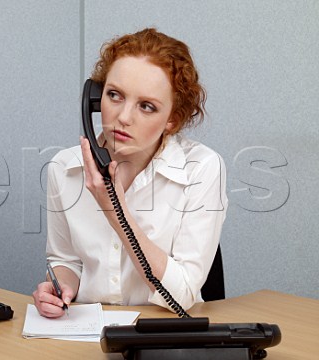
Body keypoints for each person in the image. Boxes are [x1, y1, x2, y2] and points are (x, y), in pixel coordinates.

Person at [33, 28, 228, 318]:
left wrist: (115, 210)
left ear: (172, 119)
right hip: (86, 332)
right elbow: (66, 260)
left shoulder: (202, 168)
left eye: (147, 106)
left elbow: (183, 293)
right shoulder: (64, 168)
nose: (123, 117)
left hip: (166, 334)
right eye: (115, 95)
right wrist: (60, 286)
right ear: (95, 100)